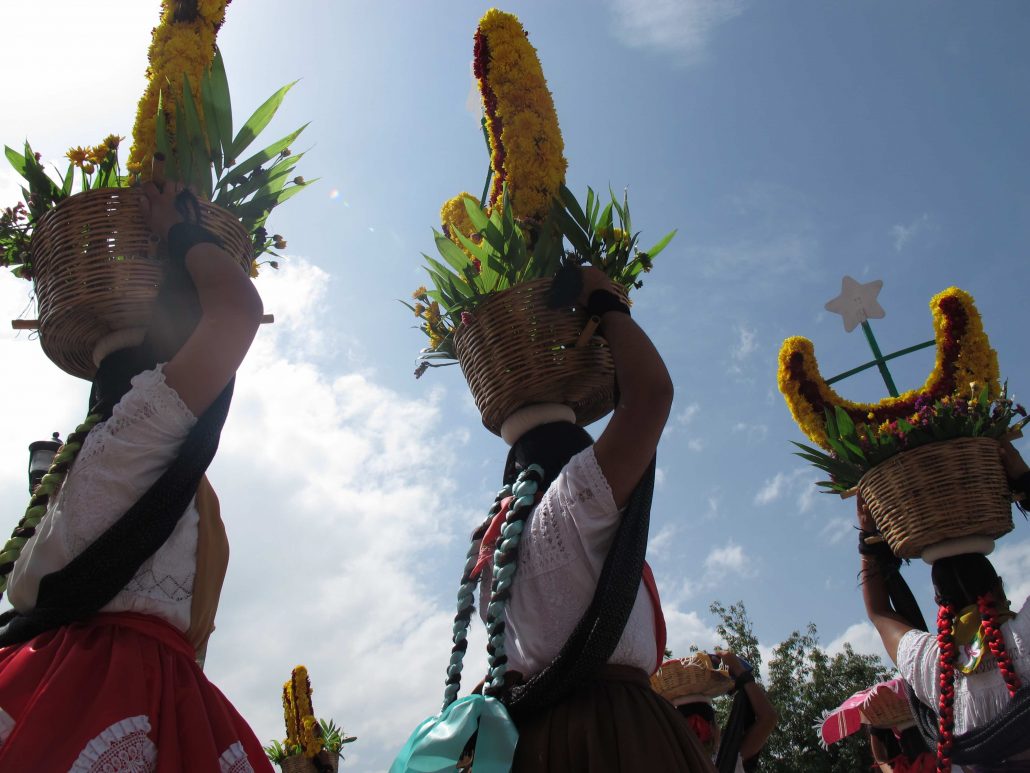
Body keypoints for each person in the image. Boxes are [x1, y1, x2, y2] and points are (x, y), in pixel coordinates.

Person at [0, 181, 270, 772]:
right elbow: (237, 311)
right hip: (129, 692)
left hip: (36, 683)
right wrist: (180, 226)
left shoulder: (80, 474)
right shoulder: (136, 439)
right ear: (145, 388)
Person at [446, 265, 713, 772]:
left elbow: (517, 666)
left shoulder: (495, 556)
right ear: (574, 460)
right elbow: (650, 396)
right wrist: (605, 303)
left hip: (534, 743)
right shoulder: (573, 507)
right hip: (617, 732)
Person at [858, 441, 1030, 773]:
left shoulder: (934, 667)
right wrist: (1023, 481)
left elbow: (879, 612)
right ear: (998, 587)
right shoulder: (1025, 637)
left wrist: (868, 540)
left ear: (939, 604)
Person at [670, 652, 777, 772]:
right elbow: (768, 718)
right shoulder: (729, 759)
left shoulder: (667, 763)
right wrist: (739, 670)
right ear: (712, 727)